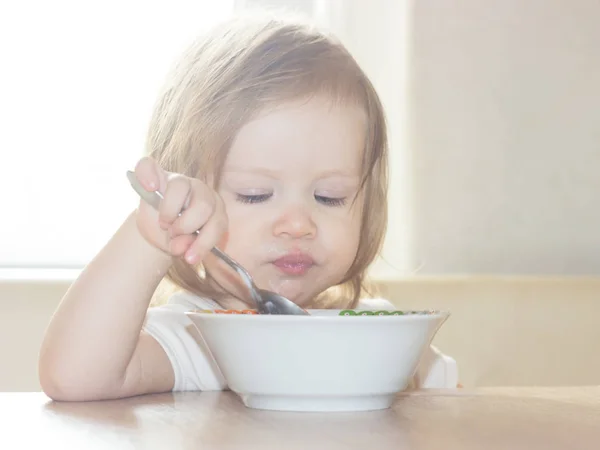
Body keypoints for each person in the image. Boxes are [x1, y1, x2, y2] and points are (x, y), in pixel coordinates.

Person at [39, 13, 457, 401]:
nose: (298, 225)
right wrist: (154, 234)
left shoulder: (385, 336)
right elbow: (73, 378)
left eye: (330, 196)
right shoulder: (198, 336)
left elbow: (459, 418)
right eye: (255, 194)